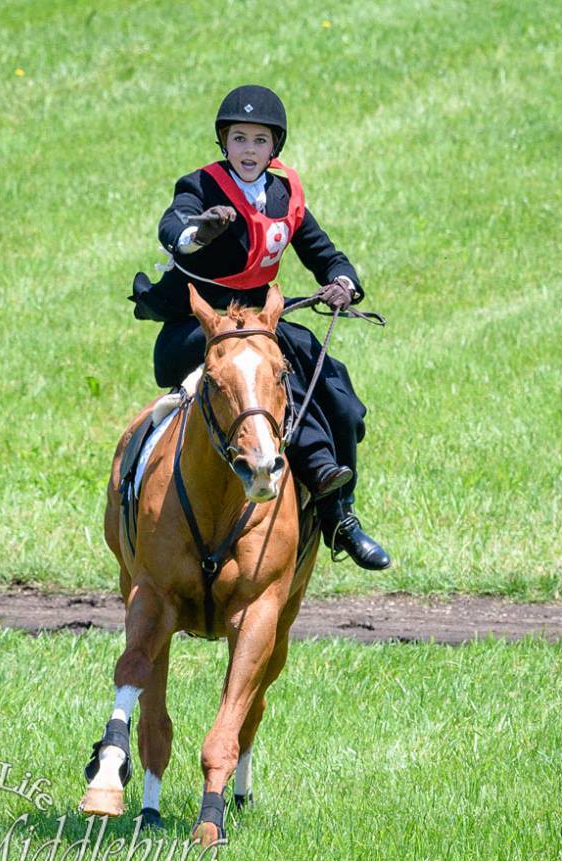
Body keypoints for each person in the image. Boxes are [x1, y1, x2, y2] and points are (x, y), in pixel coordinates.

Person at [130, 85, 390, 570]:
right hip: (199, 325)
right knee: (264, 374)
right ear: (223, 143)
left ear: (275, 148)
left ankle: (340, 517)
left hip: (261, 320)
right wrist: (198, 232)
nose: (249, 150)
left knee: (340, 399)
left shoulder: (284, 192)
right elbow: (174, 228)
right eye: (239, 139)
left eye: (259, 141)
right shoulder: (200, 187)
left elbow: (323, 252)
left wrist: (343, 282)